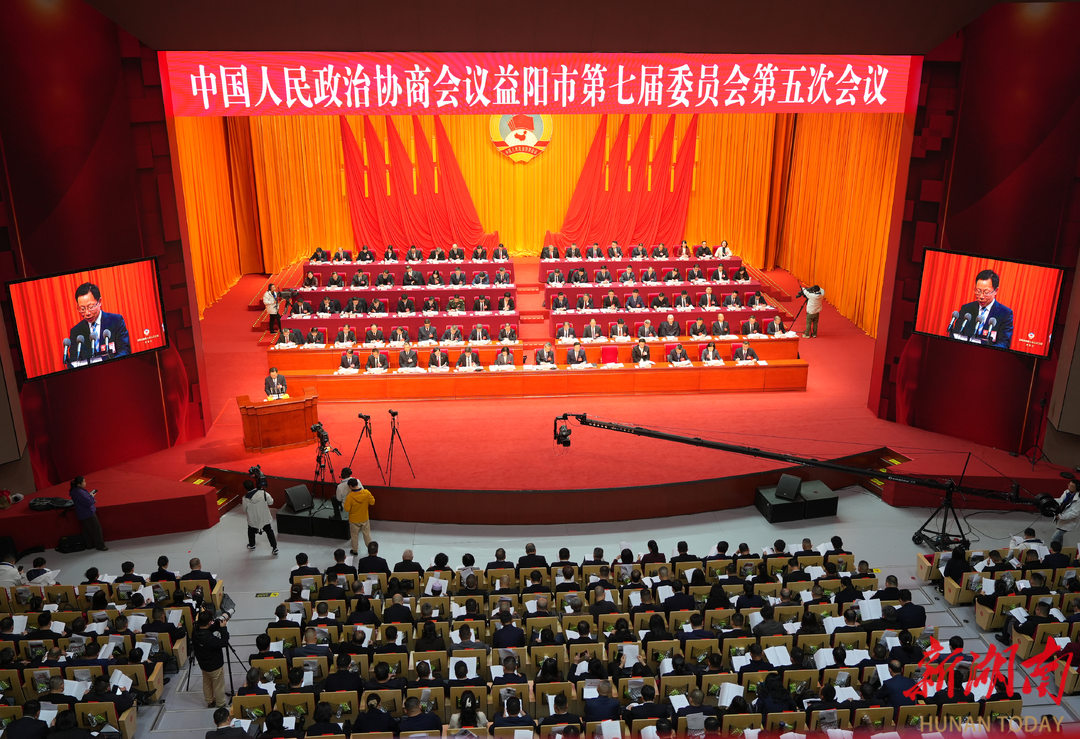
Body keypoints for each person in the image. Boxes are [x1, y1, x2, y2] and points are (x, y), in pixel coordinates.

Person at [66, 282, 130, 364]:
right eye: (82, 309)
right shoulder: (76, 332)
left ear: (99, 301)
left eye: (91, 307)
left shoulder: (116, 321)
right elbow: (74, 361)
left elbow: (125, 350)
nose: (87, 313)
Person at [192, 610, 229, 708]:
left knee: (207, 683)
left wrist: (218, 623)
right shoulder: (209, 638)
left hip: (203, 664)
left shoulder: (195, 631)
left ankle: (209, 701)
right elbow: (223, 642)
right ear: (209, 622)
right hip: (215, 666)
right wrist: (223, 628)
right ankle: (221, 703)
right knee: (218, 686)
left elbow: (209, 628)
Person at [69, 476, 106, 551]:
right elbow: (88, 502)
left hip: (81, 513)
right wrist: (92, 496)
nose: (85, 483)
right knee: (96, 529)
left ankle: (89, 545)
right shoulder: (80, 493)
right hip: (88, 513)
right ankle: (100, 546)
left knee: (87, 530)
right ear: (79, 484)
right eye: (83, 482)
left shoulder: (75, 491)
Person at [241, 480, 278, 555]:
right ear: (254, 485)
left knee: (251, 531)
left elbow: (244, 510)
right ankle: (274, 548)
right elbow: (271, 502)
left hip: (253, 520)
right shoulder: (263, 493)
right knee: (269, 531)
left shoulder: (245, 499)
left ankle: (252, 545)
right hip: (265, 518)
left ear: (245, 488)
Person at [343, 478, 375, 554]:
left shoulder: (350, 497)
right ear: (357, 484)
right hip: (364, 518)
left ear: (350, 486)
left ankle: (354, 550)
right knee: (367, 534)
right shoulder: (366, 493)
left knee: (354, 536)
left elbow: (346, 509)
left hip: (354, 520)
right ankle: (371, 549)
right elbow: (372, 502)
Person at [1053, 481, 1079, 546]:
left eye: (1071, 486)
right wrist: (1052, 500)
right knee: (1059, 538)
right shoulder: (1067, 492)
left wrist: (1061, 517)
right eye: (1069, 485)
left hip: (1068, 522)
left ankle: (1055, 551)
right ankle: (1060, 550)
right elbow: (1061, 501)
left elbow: (1074, 514)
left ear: (1077, 488)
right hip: (1061, 518)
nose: (1069, 487)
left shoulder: (1078, 500)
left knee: (1055, 538)